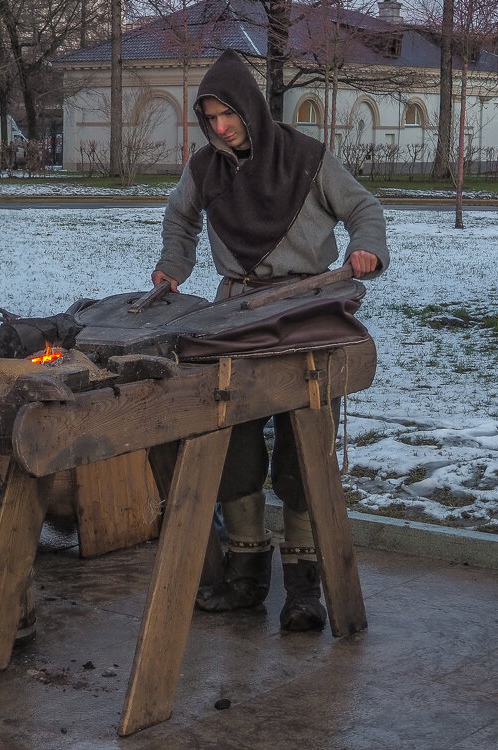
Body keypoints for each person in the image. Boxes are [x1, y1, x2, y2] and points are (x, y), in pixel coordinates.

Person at [151, 49, 388, 631]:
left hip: (308, 311)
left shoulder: (307, 158)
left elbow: (363, 207)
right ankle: (246, 577)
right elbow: (179, 216)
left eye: (227, 115)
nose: (221, 128)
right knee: (234, 442)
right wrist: (173, 266)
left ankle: (304, 587)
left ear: (250, 108)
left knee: (304, 444)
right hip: (234, 315)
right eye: (210, 119)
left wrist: (368, 249)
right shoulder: (206, 167)